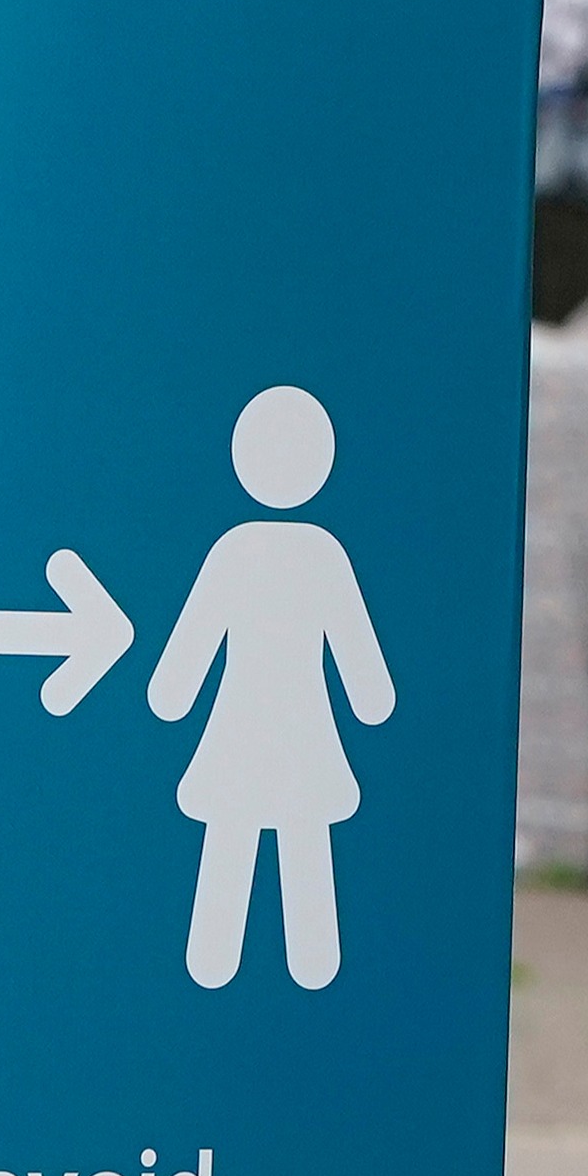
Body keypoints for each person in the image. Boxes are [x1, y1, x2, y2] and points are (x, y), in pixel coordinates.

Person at [148, 384, 395, 992]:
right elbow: (364, 670)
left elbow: (185, 658)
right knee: (301, 835)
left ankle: (215, 962)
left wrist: (172, 694)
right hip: (305, 736)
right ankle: (311, 965)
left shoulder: (235, 551)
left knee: (232, 836)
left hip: (238, 732)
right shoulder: (324, 554)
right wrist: (369, 700)